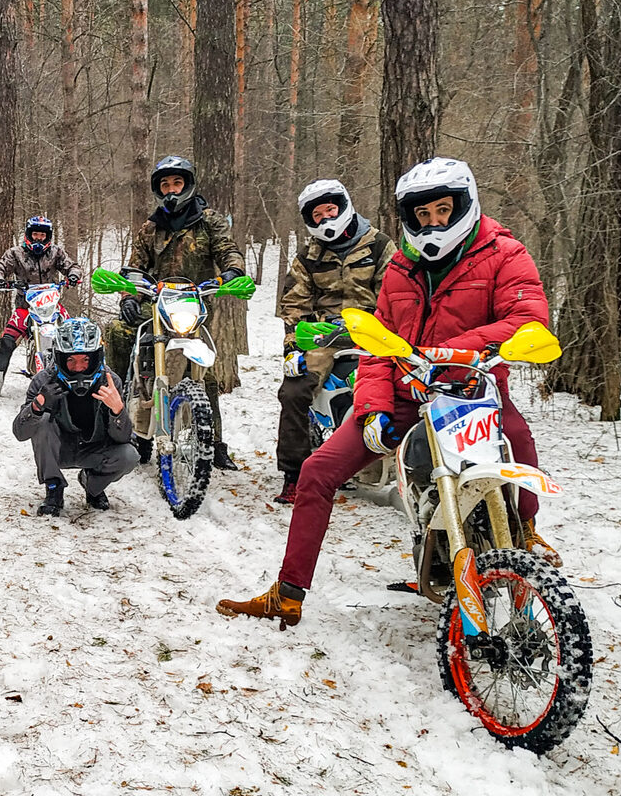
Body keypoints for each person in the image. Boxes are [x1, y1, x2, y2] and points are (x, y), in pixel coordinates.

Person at [217, 157, 561, 629]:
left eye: (443, 210)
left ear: (463, 205)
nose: (434, 221)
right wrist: (374, 405)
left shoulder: (504, 253)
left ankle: (526, 533)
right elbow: (378, 342)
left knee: (519, 444)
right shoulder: (402, 265)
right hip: (404, 390)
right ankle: (288, 591)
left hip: (472, 389)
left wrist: (444, 352)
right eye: (424, 214)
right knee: (318, 470)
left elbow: (527, 318)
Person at [103, 155, 246, 471]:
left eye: (177, 183)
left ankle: (214, 443)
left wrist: (233, 271)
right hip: (155, 303)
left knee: (205, 368)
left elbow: (229, 251)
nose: (171, 189)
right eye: (165, 184)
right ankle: (119, 420)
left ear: (188, 185)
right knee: (120, 333)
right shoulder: (150, 227)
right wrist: (128, 295)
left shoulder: (210, 221)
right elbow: (135, 267)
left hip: (195, 306)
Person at [273, 179, 396, 502]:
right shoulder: (308, 256)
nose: (326, 219)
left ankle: (403, 464)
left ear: (343, 206)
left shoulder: (380, 245)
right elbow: (295, 304)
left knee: (400, 386)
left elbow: (397, 295)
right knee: (294, 389)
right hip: (325, 336)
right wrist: (292, 348)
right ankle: (295, 474)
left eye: (330, 210)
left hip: (375, 333)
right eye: (317, 215)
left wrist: (384, 329)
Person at [12, 317, 139, 516]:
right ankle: (54, 487)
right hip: (58, 450)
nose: (79, 367)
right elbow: (20, 432)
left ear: (96, 357)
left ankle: (93, 485)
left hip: (95, 449)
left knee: (129, 456)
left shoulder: (110, 382)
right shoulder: (43, 380)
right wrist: (38, 404)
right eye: (71, 360)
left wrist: (118, 410)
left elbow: (124, 440)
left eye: (85, 360)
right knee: (43, 421)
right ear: (60, 358)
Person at [0, 215, 80, 396]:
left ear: (48, 237)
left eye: (42, 235)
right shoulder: (16, 253)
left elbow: (72, 266)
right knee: (6, 342)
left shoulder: (56, 252)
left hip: (52, 305)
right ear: (29, 235)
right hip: (25, 307)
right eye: (35, 234)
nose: (38, 238)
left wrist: (73, 275)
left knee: (74, 336)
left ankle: (76, 377)